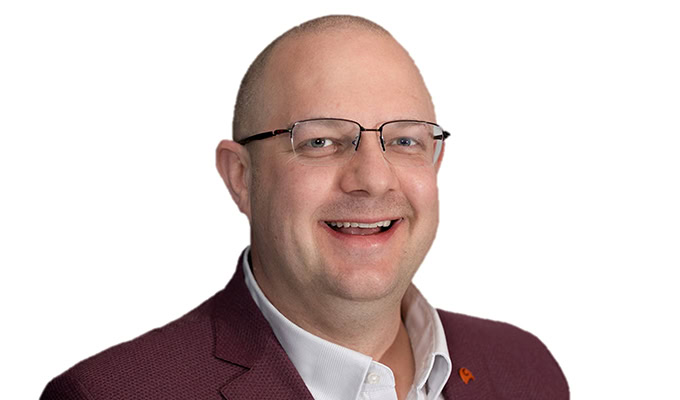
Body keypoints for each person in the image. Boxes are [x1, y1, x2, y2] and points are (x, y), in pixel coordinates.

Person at [41, 15, 568, 400]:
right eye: (320, 142)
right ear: (241, 178)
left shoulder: (527, 372)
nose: (373, 179)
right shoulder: (111, 395)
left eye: (405, 141)